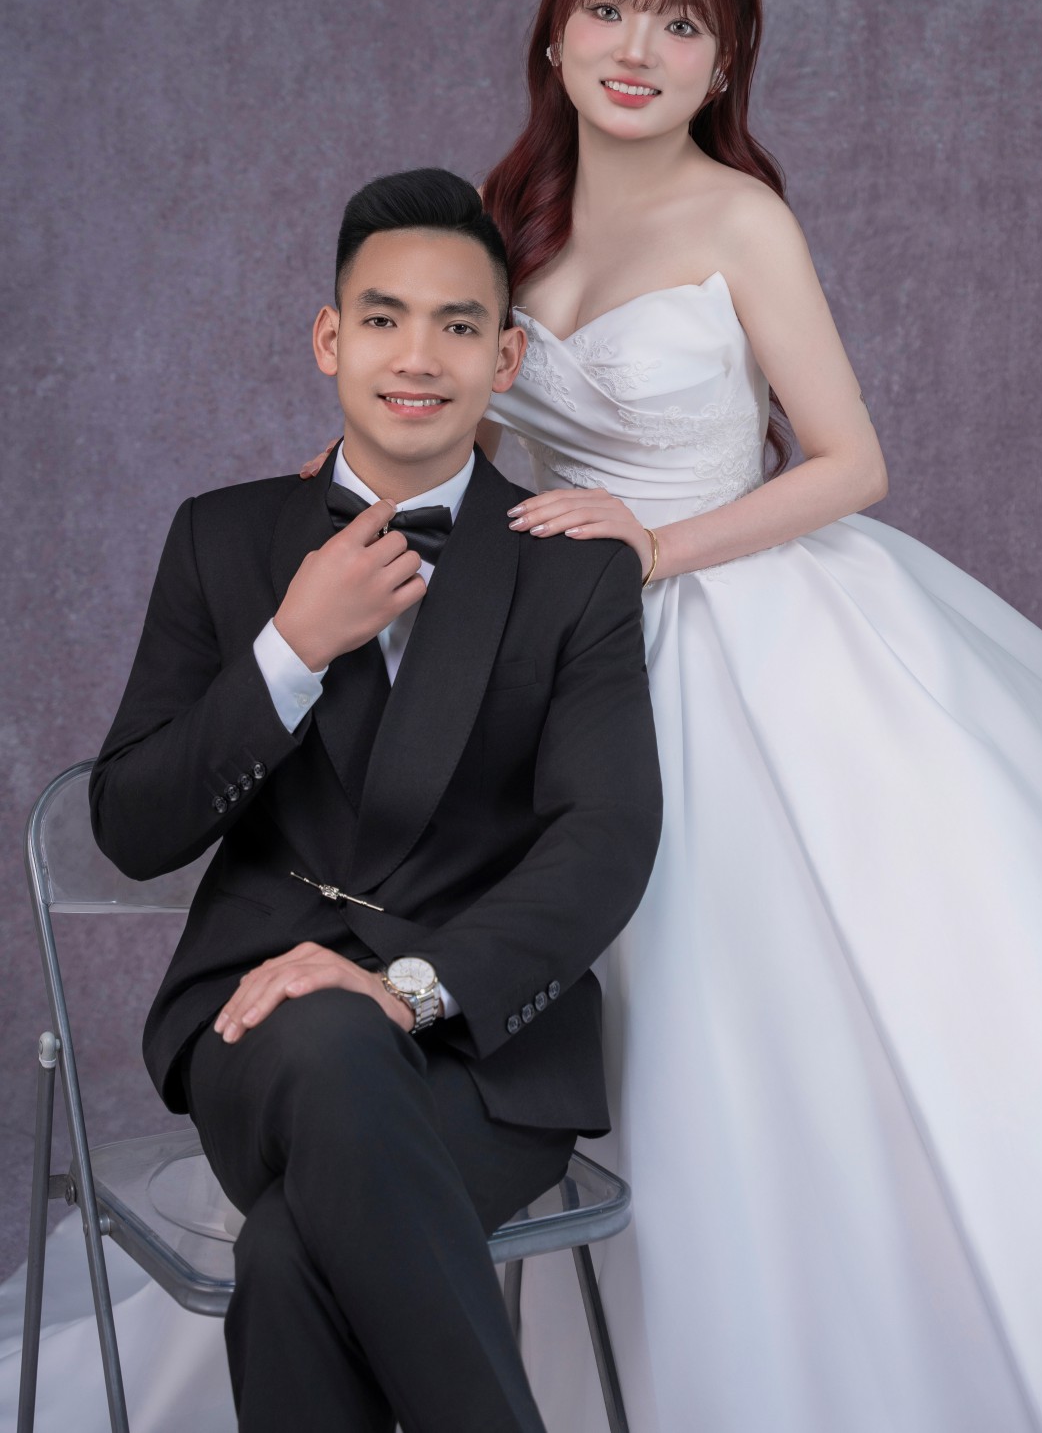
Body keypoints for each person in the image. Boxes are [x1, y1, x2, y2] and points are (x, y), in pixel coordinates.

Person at [473, 0, 1042, 1433]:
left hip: (744, 629)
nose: (636, 49)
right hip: (559, 659)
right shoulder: (509, 230)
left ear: (723, 62)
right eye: (607, 10)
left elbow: (849, 463)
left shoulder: (740, 218)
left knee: (770, 1008)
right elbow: (472, 456)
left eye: (679, 24)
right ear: (553, 32)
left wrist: (653, 552)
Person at [88, 169, 663, 1433]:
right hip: (254, 1022)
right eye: (384, 317)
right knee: (327, 1041)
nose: (418, 356)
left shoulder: (575, 571)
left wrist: (409, 986)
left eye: (458, 325)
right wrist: (288, 648)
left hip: (485, 1047)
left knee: (294, 1257)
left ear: (504, 357)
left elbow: (607, 837)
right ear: (329, 339)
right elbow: (130, 826)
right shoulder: (220, 539)